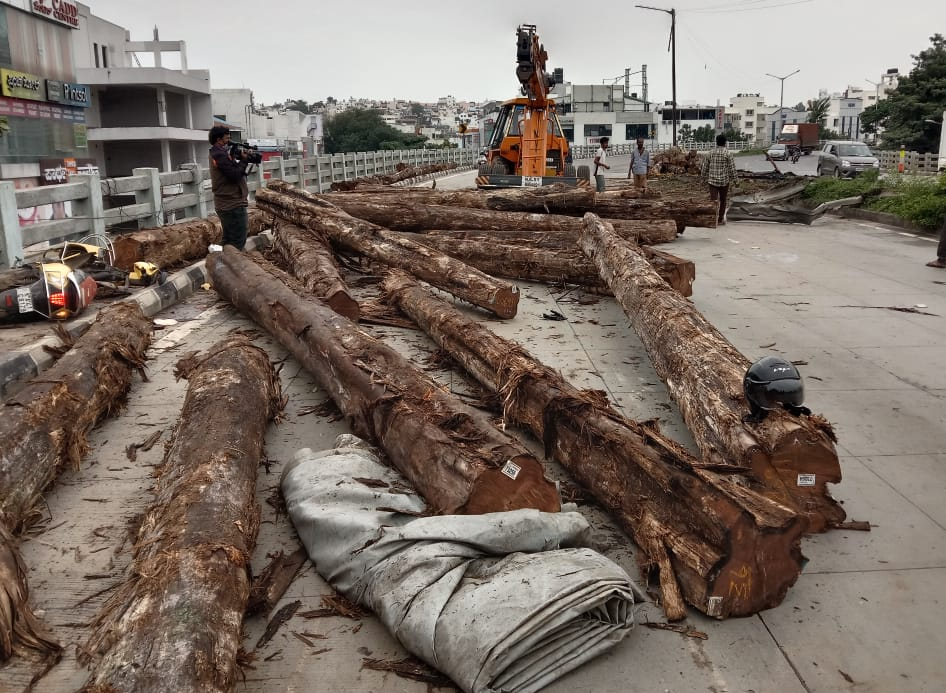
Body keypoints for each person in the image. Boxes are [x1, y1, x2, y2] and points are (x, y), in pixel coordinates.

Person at [208, 125, 250, 249]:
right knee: (237, 241)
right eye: (226, 139)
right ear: (218, 139)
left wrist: (238, 159)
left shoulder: (219, 153)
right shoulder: (219, 154)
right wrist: (244, 161)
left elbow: (232, 170)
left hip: (228, 203)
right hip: (231, 204)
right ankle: (233, 265)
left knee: (228, 239)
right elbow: (235, 175)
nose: (229, 141)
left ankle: (221, 263)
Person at [700, 133, 738, 226]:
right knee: (723, 200)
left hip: (712, 181)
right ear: (725, 143)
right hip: (724, 181)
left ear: (716, 142)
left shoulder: (711, 153)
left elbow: (705, 167)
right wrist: (736, 181)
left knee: (714, 201)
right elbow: (732, 169)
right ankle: (720, 219)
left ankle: (713, 219)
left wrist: (702, 178)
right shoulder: (728, 154)